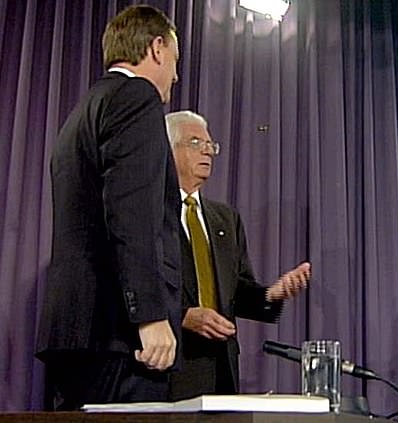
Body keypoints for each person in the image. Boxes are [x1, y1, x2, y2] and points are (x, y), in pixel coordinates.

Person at [36, 5, 182, 410]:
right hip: (120, 334)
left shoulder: (84, 110)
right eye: (174, 59)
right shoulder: (137, 97)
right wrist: (149, 316)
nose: (175, 75)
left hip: (75, 332)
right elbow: (131, 212)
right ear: (157, 48)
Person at [164, 110, 311, 399]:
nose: (207, 152)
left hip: (220, 368)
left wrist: (273, 294)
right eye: (195, 143)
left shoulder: (225, 219)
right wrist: (180, 316)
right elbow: (135, 288)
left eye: (211, 145)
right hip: (168, 364)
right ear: (168, 151)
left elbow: (238, 293)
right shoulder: (148, 214)